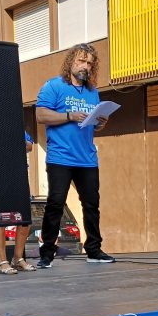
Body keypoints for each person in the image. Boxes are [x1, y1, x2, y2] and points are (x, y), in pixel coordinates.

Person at [35, 43, 114, 268]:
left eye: (90, 63)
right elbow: (41, 115)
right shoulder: (54, 86)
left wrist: (101, 123)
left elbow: (92, 126)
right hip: (60, 157)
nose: (85, 66)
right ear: (71, 62)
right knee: (55, 204)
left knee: (91, 205)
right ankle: (47, 253)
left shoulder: (92, 92)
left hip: (87, 158)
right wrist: (69, 115)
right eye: (81, 61)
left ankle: (94, 250)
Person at [0, 131, 37, 274]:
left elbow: (29, 146)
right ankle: (2, 262)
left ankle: (18, 259)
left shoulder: (16, 125)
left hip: (19, 174)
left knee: (25, 218)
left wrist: (11, 143)